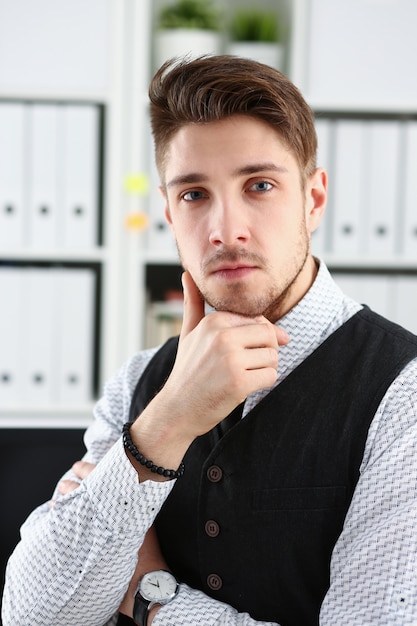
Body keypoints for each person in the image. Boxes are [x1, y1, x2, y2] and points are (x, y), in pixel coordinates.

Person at [3, 55, 417, 626]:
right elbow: (33, 616)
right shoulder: (140, 379)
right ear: (171, 215)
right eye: (194, 194)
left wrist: (152, 599)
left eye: (260, 185)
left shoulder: (404, 392)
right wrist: (164, 424)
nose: (226, 229)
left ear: (313, 200)